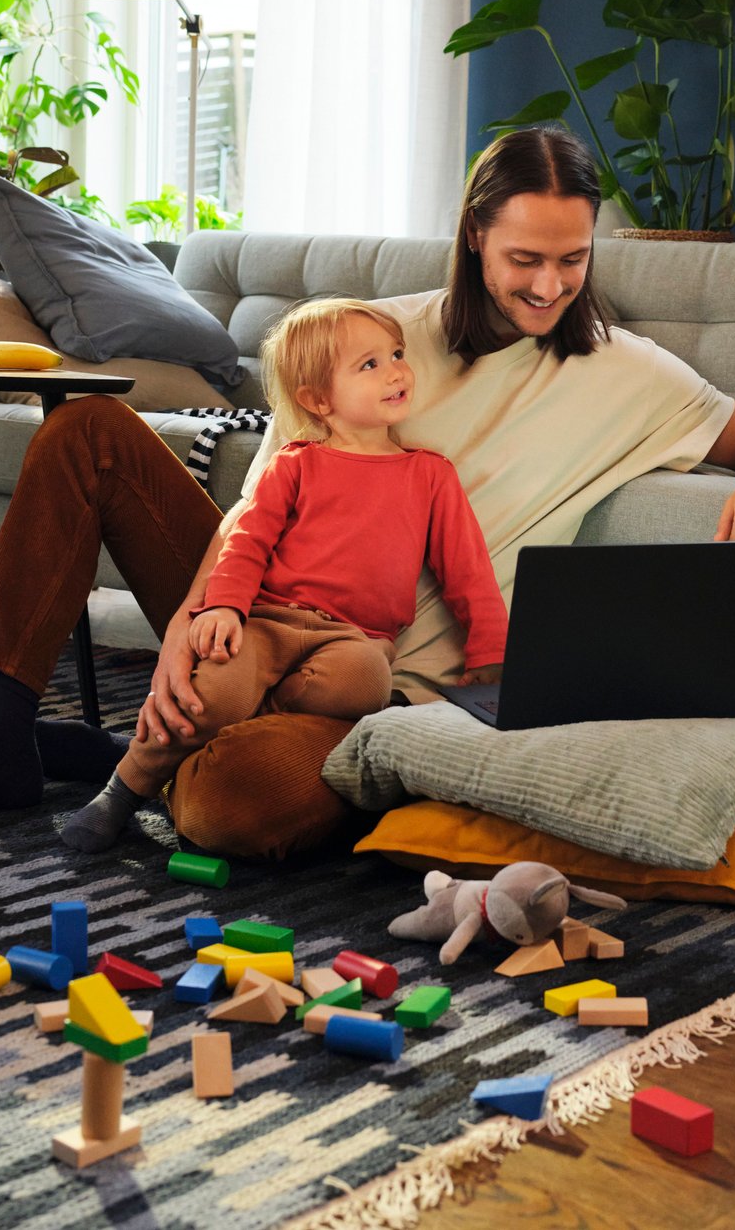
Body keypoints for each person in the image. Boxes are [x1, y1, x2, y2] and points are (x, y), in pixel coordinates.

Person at [0, 126, 735, 854]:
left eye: (574, 258)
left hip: (371, 683)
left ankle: (135, 762)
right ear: (475, 238)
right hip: (247, 604)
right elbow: (263, 496)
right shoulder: (380, 336)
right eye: (526, 259)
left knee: (233, 806)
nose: (551, 285)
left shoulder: (626, 370)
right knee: (89, 426)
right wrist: (192, 622)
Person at [59, 297, 506, 852]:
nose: (396, 371)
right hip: (265, 620)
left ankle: (243, 724)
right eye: (369, 365)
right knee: (209, 695)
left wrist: (490, 650)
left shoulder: (431, 474)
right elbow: (246, 541)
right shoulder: (296, 463)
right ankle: (124, 789)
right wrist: (223, 606)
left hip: (354, 637)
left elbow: (468, 570)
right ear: (318, 399)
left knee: (368, 682)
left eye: (396, 355)